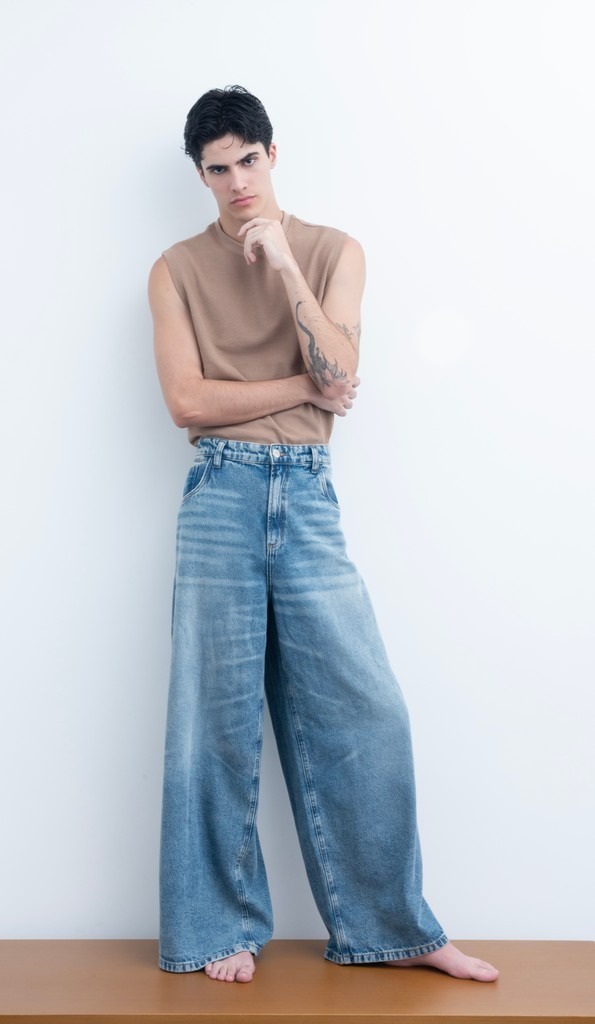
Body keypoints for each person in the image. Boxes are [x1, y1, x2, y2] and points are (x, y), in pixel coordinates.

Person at [148, 85, 499, 985]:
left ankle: (392, 926)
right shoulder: (174, 269)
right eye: (217, 169)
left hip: (305, 494)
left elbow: (341, 367)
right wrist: (304, 388)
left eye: (247, 161)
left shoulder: (334, 249)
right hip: (220, 493)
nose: (236, 182)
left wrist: (285, 269)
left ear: (272, 155)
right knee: (213, 721)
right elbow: (187, 401)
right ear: (200, 175)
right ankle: (216, 927)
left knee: (365, 710)